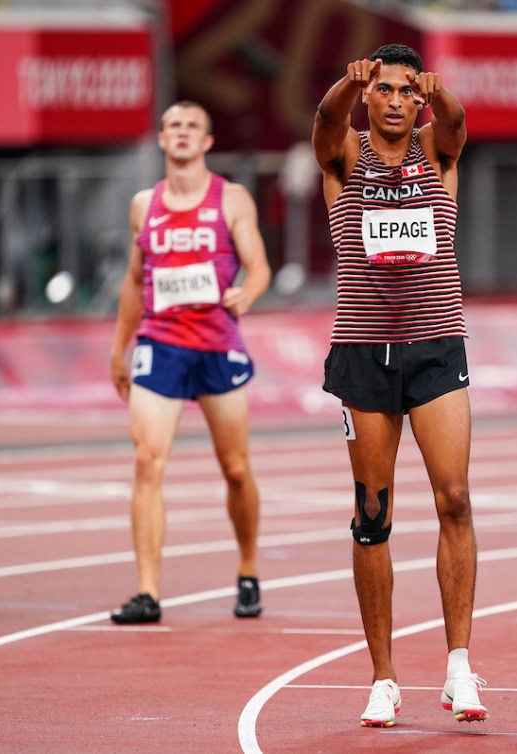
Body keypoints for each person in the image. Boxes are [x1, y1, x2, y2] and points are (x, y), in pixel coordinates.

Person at [311, 43, 488, 727]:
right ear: (367, 95)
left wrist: (439, 95)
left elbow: (459, 122)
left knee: (455, 500)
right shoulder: (345, 155)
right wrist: (339, 85)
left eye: (404, 92)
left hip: (437, 347)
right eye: (381, 89)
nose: (392, 100)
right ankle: (384, 677)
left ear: (417, 100)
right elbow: (323, 126)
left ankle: (459, 667)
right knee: (373, 518)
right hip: (362, 353)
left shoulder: (436, 155)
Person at [108, 101, 272, 624]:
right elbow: (135, 281)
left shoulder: (232, 198)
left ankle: (248, 570)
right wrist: (120, 348)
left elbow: (259, 265)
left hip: (216, 344)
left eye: (192, 127)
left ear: (206, 141)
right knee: (146, 462)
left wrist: (249, 292)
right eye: (173, 126)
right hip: (160, 343)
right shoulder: (143, 205)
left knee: (236, 468)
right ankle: (148, 592)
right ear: (161, 139)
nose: (181, 133)